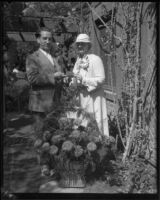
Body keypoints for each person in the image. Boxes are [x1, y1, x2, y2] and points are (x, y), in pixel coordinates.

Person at [26, 27, 64, 138]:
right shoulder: (32, 57)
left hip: (54, 102)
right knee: (41, 138)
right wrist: (53, 76)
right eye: (44, 38)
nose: (48, 41)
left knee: (54, 139)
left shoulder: (53, 58)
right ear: (38, 40)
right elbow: (32, 79)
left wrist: (64, 78)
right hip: (40, 104)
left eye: (50, 39)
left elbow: (57, 76)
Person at [72, 33, 109, 136]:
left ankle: (101, 146)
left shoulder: (95, 59)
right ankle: (84, 145)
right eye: (78, 44)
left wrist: (84, 80)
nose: (80, 46)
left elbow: (101, 79)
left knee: (97, 121)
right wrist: (72, 82)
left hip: (95, 97)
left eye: (83, 44)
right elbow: (75, 76)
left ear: (88, 46)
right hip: (81, 97)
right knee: (82, 122)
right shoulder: (78, 61)